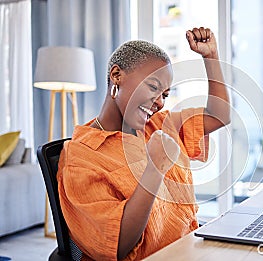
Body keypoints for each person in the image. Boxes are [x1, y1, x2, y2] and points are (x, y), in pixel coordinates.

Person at [57, 27, 230, 260]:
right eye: (153, 87)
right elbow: (118, 246)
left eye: (165, 95)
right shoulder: (81, 157)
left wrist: (211, 56)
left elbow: (219, 115)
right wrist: (155, 169)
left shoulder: (159, 124)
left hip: (190, 249)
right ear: (116, 75)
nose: (159, 102)